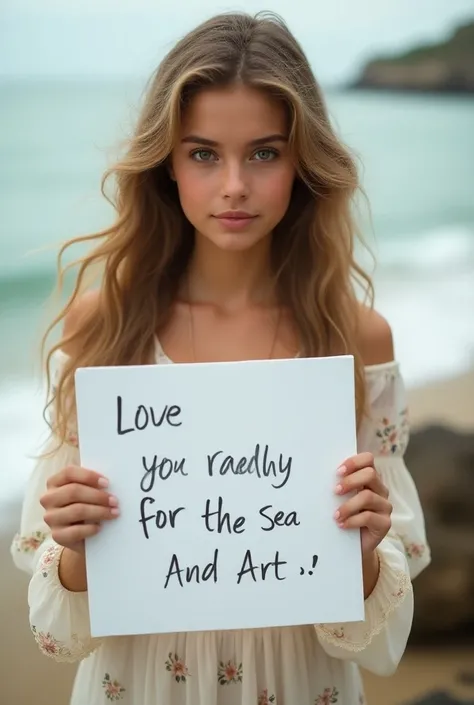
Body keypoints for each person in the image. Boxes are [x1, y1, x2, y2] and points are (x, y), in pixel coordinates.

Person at [11, 11, 430, 705]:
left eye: (264, 152)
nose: (234, 184)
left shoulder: (356, 338)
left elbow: (384, 624)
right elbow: (57, 632)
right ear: (166, 163)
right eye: (204, 153)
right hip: (137, 683)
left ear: (302, 161)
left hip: (302, 682)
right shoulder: (102, 329)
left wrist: (363, 547)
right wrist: (76, 543)